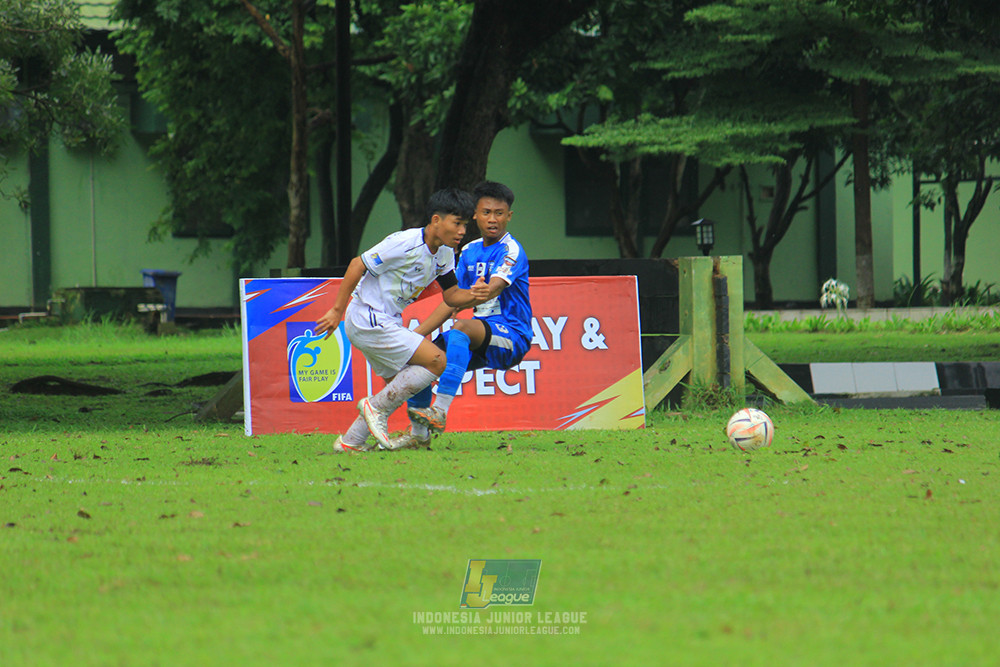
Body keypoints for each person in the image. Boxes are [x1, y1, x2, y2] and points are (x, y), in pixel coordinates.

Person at [314, 188, 490, 452]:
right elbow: (356, 265)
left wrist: (477, 295)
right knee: (438, 360)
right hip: (367, 317)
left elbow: (452, 296)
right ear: (435, 221)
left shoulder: (444, 253)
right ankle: (375, 408)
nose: (463, 231)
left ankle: (351, 441)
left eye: (465, 224)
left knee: (410, 386)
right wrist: (337, 310)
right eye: (457, 223)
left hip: (384, 323)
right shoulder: (405, 242)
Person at [389, 181, 532, 449]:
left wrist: (483, 291)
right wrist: (417, 337)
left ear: (509, 216)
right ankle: (419, 436)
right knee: (421, 359)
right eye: (486, 212)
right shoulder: (468, 251)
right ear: (475, 215)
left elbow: (495, 288)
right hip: (479, 336)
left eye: (499, 213)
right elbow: (452, 300)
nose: (493, 219)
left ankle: (440, 411)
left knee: (462, 328)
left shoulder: (512, 250)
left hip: (513, 336)